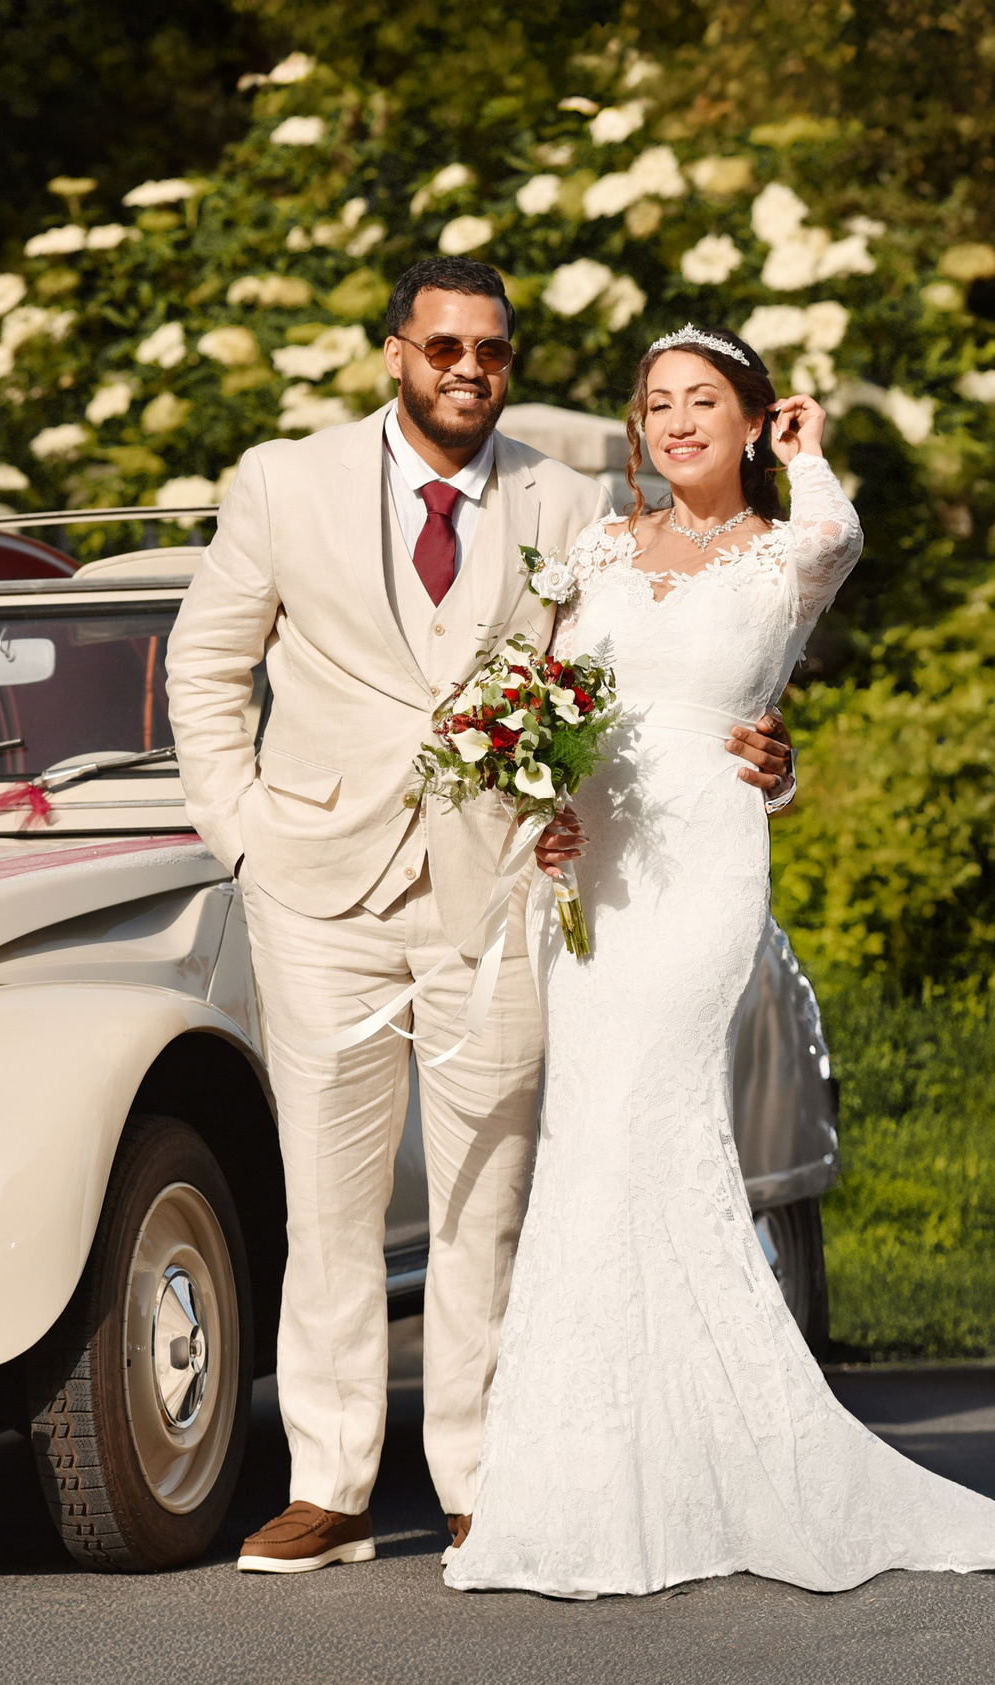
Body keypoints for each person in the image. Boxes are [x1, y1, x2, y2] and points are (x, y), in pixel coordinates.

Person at [444, 325, 995, 1598]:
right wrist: (541, 802)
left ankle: (706, 1462)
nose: (676, 422)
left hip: (701, 872)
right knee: (591, 1142)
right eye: (657, 404)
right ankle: (589, 1473)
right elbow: (549, 698)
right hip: (592, 872)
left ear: (754, 418)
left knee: (654, 1124)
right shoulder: (594, 549)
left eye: (705, 401)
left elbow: (837, 539)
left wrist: (807, 452)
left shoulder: (784, 551)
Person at [165, 260, 796, 1574]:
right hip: (318, 891)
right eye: (443, 344)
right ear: (395, 351)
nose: (469, 367)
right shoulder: (285, 482)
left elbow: (646, 682)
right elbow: (208, 665)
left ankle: (479, 1476)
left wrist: (758, 771)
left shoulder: (567, 503)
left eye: (492, 350)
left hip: (504, 885)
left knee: (483, 1199)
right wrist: (244, 841)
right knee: (327, 1204)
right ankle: (329, 1488)